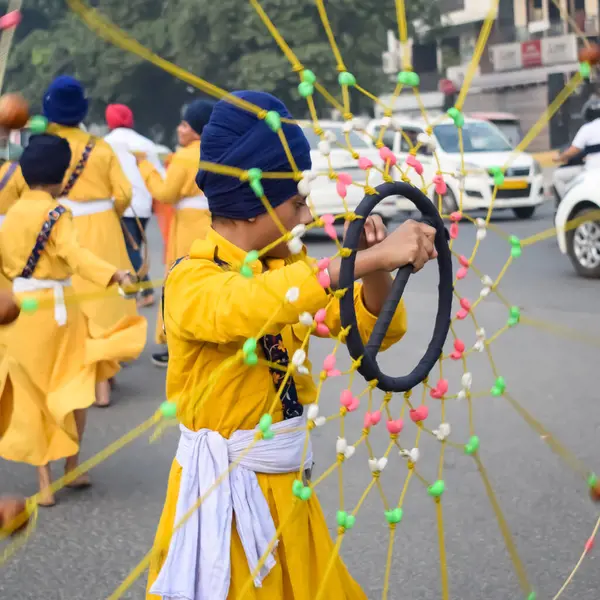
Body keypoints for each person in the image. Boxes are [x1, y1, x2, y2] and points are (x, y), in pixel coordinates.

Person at [146, 91, 437, 600]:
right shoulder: (192, 281)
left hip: (288, 494)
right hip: (223, 501)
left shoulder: (285, 274)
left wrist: (372, 267)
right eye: (296, 201)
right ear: (255, 201)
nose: (306, 215)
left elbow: (375, 334)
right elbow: (248, 306)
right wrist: (357, 264)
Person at [0, 134, 139, 506]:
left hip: (21, 313)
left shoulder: (11, 214)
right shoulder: (57, 214)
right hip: (60, 311)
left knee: (33, 396)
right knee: (75, 386)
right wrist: (115, 274)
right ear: (61, 176)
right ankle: (73, 467)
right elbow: (75, 256)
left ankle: (43, 484)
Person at [39, 75, 147, 407]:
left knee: (71, 300)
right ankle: (105, 377)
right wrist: (106, 210)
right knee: (105, 300)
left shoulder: (44, 146)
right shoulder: (100, 146)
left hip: (59, 226)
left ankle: (79, 375)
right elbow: (125, 193)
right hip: (102, 227)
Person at [137, 99, 214, 368]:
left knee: (180, 279)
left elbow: (166, 193)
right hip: (214, 221)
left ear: (196, 128)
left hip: (189, 226)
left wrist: (145, 168)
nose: (180, 129)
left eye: (185, 124)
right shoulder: (217, 149)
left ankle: (178, 341)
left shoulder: (185, 155)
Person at [104, 103, 164, 309]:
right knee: (134, 248)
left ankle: (145, 291)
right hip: (144, 203)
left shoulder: (105, 144)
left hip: (120, 203)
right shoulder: (146, 143)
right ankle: (135, 290)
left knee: (130, 249)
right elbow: (159, 175)